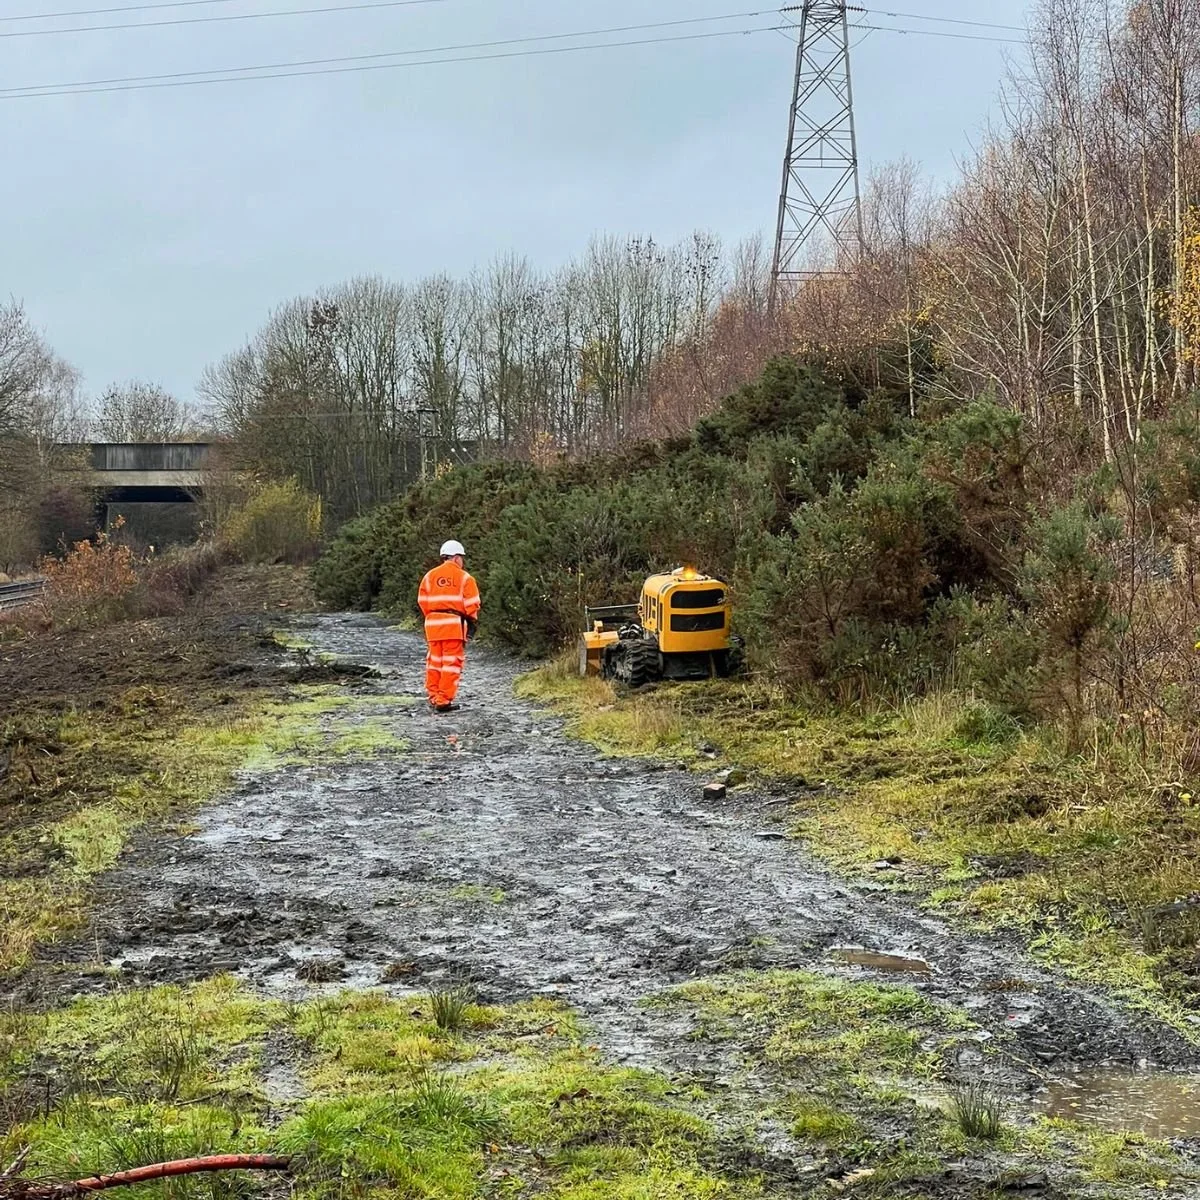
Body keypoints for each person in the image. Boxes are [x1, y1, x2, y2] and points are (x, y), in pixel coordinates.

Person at [417, 539, 481, 713]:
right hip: (453, 625)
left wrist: (434, 616)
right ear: (456, 558)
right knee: (451, 663)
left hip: (432, 625)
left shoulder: (429, 576)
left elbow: (422, 602)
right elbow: (473, 604)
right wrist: (471, 620)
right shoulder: (465, 578)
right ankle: (443, 700)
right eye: (461, 558)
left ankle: (433, 695)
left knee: (434, 662)